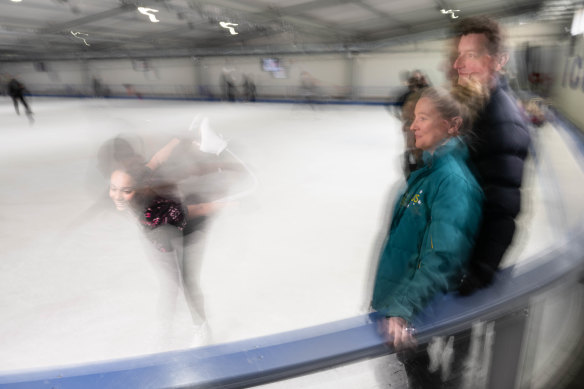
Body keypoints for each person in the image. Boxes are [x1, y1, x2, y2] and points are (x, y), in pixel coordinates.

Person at [371, 86, 485, 388]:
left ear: (451, 125)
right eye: (413, 118)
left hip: (415, 312)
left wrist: (403, 308)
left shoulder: (452, 182)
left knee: (422, 379)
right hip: (398, 301)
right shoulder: (428, 170)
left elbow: (443, 255)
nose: (412, 126)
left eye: (423, 118)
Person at [451, 16, 531, 294]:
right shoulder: (473, 105)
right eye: (459, 55)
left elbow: (503, 208)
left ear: (496, 61)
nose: (458, 65)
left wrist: (479, 271)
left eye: (470, 56)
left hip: (466, 261)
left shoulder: (502, 122)